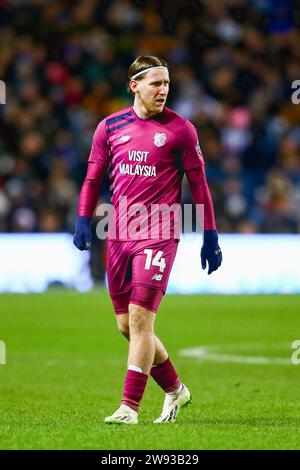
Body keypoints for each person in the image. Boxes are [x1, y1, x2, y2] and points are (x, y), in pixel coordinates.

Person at [73, 55, 222, 424]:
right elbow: (93, 179)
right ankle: (175, 389)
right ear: (134, 85)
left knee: (141, 319)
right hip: (118, 234)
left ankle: (129, 407)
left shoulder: (181, 130)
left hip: (160, 233)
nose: (164, 90)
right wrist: (82, 219)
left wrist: (210, 234)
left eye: (167, 84)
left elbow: (199, 185)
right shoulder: (109, 127)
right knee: (126, 326)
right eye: (156, 83)